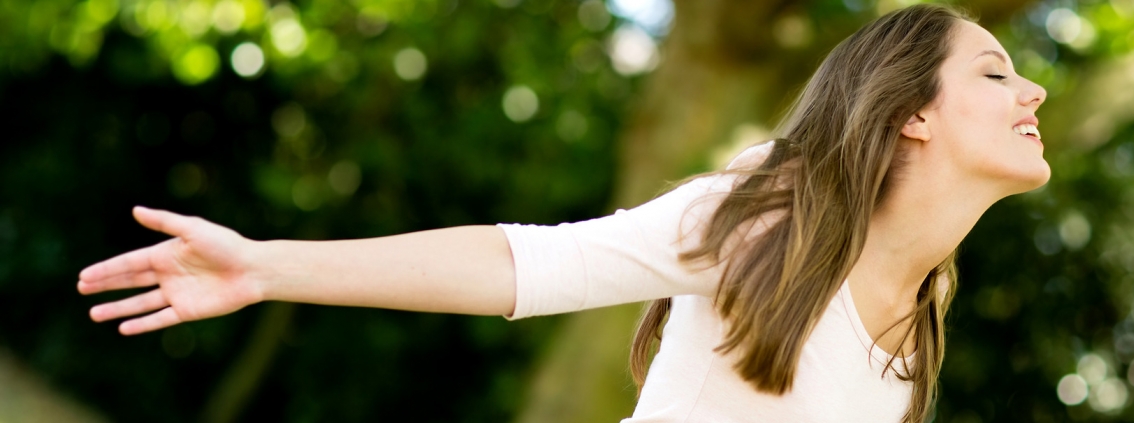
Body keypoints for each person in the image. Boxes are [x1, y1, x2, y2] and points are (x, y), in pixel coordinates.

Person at [77, 4, 1047, 422]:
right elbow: (536, 264)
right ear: (910, 111)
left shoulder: (919, 322)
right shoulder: (772, 216)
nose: (1031, 93)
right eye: (995, 71)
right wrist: (266, 266)